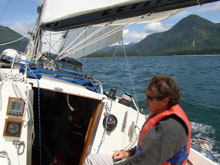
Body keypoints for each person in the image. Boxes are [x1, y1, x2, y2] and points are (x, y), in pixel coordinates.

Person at [84, 75, 191, 165]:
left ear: (165, 101)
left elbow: (144, 162)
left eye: (150, 98)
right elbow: (149, 149)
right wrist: (128, 153)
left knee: (91, 161)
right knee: (91, 159)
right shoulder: (161, 114)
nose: (145, 101)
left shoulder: (170, 130)